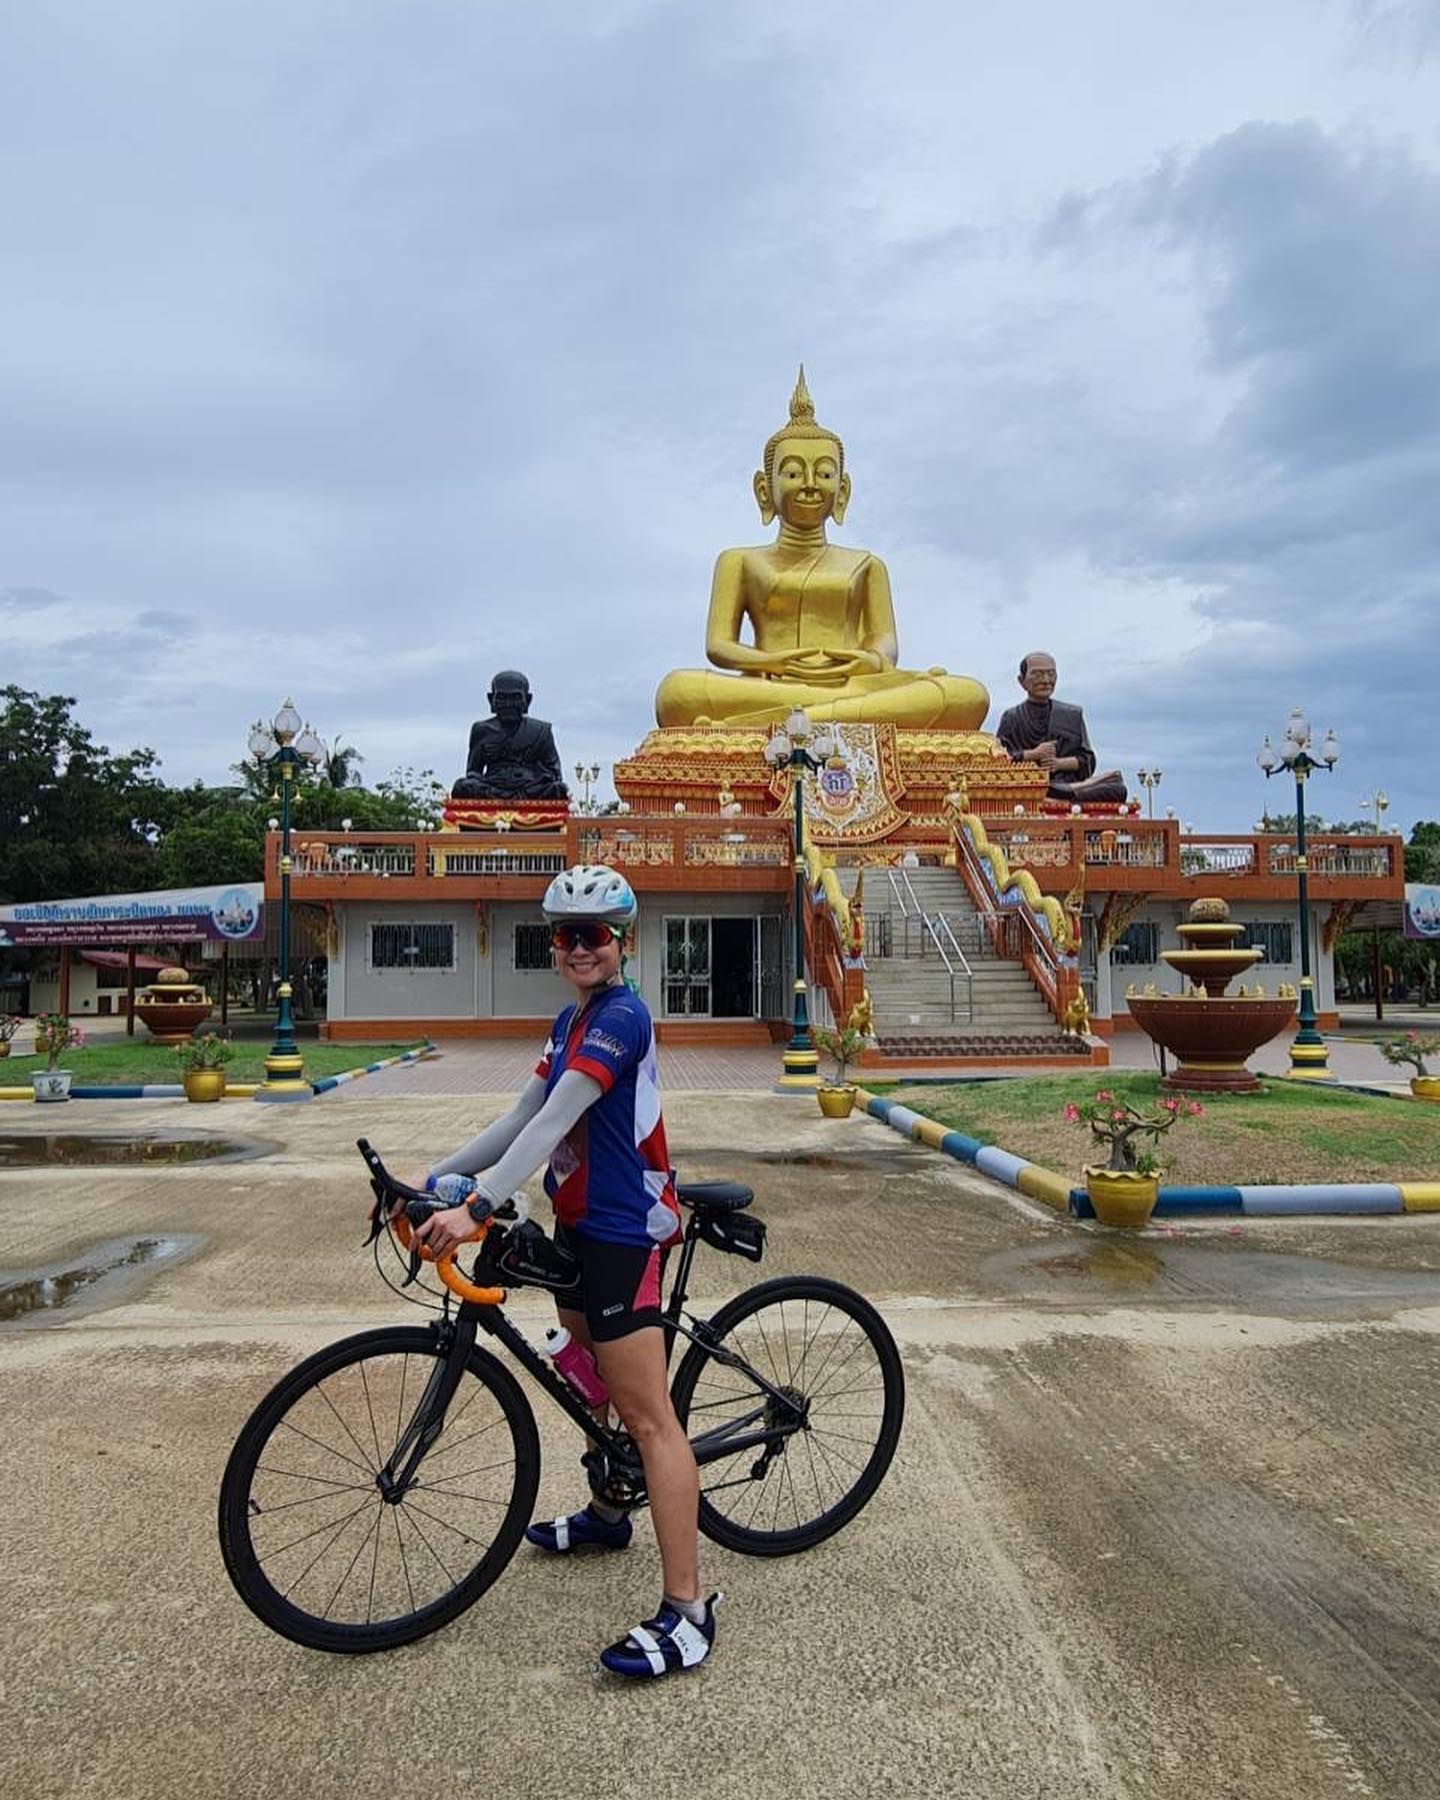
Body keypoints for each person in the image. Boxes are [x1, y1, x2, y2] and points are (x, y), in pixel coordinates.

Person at [408, 863, 719, 1679]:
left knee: (648, 1418)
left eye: (594, 935)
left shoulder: (624, 1016)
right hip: (577, 1221)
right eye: (565, 936)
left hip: (624, 1231)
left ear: (622, 941)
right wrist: (433, 1178)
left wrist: (477, 1206)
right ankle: (609, 1514)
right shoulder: (571, 1018)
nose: (579, 948)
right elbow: (520, 1114)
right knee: (591, 1383)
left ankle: (689, 1612)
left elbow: (555, 1120)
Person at [995, 651, 1128, 805]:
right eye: (1037, 675)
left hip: (1065, 784)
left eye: (1051, 674)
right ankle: (1060, 795)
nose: (1046, 680)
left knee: (1118, 789)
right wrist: (1033, 754)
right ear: (1021, 680)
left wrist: (1058, 763)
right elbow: (997, 760)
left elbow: (1087, 761)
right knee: (1022, 789)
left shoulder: (1071, 714)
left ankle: (1062, 795)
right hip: (1028, 785)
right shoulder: (1012, 717)